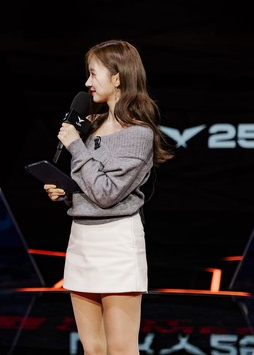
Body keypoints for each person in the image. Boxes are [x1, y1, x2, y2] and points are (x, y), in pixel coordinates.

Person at [45, 40, 173, 354]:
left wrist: (76, 145)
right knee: (93, 348)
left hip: (116, 243)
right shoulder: (91, 126)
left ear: (117, 78)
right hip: (82, 240)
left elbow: (107, 193)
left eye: (93, 73)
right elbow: (90, 184)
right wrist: (67, 193)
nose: (87, 82)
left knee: (120, 349)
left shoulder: (138, 134)